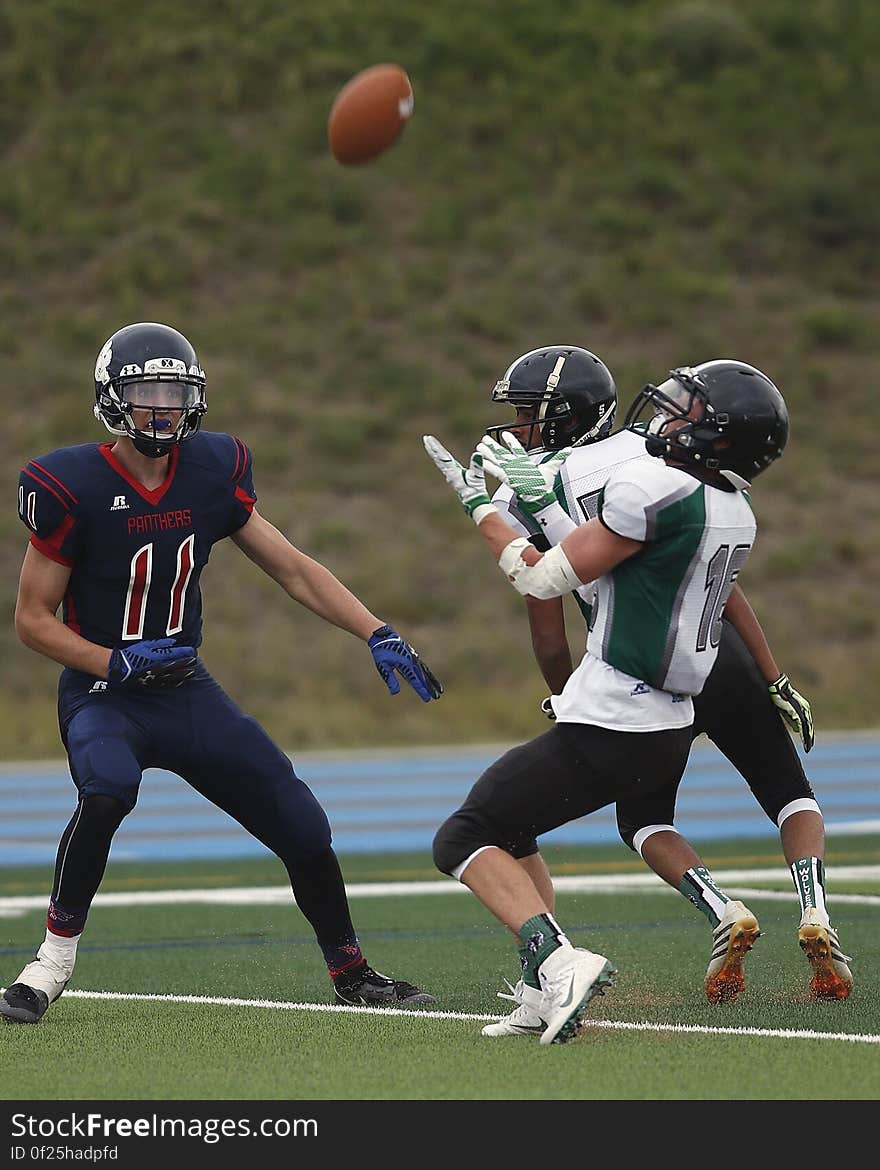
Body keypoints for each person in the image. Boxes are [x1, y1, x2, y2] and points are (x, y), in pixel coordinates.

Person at [1, 320, 443, 1026]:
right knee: (108, 790)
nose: (162, 406)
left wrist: (376, 630)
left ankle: (351, 970)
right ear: (114, 400)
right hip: (105, 692)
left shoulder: (213, 468)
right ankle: (48, 966)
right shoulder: (69, 483)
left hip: (184, 688)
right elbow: (32, 620)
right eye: (146, 391)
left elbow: (293, 568)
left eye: (174, 391)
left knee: (303, 826)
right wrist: (112, 660)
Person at [464, 349, 852, 1038]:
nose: (520, 428)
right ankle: (815, 908)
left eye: (529, 415)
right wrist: (772, 675)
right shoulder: (684, 475)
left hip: (641, 673)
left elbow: (548, 609)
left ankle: (722, 909)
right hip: (717, 654)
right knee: (791, 793)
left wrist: (571, 697)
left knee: (641, 820)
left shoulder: (545, 486)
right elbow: (724, 586)